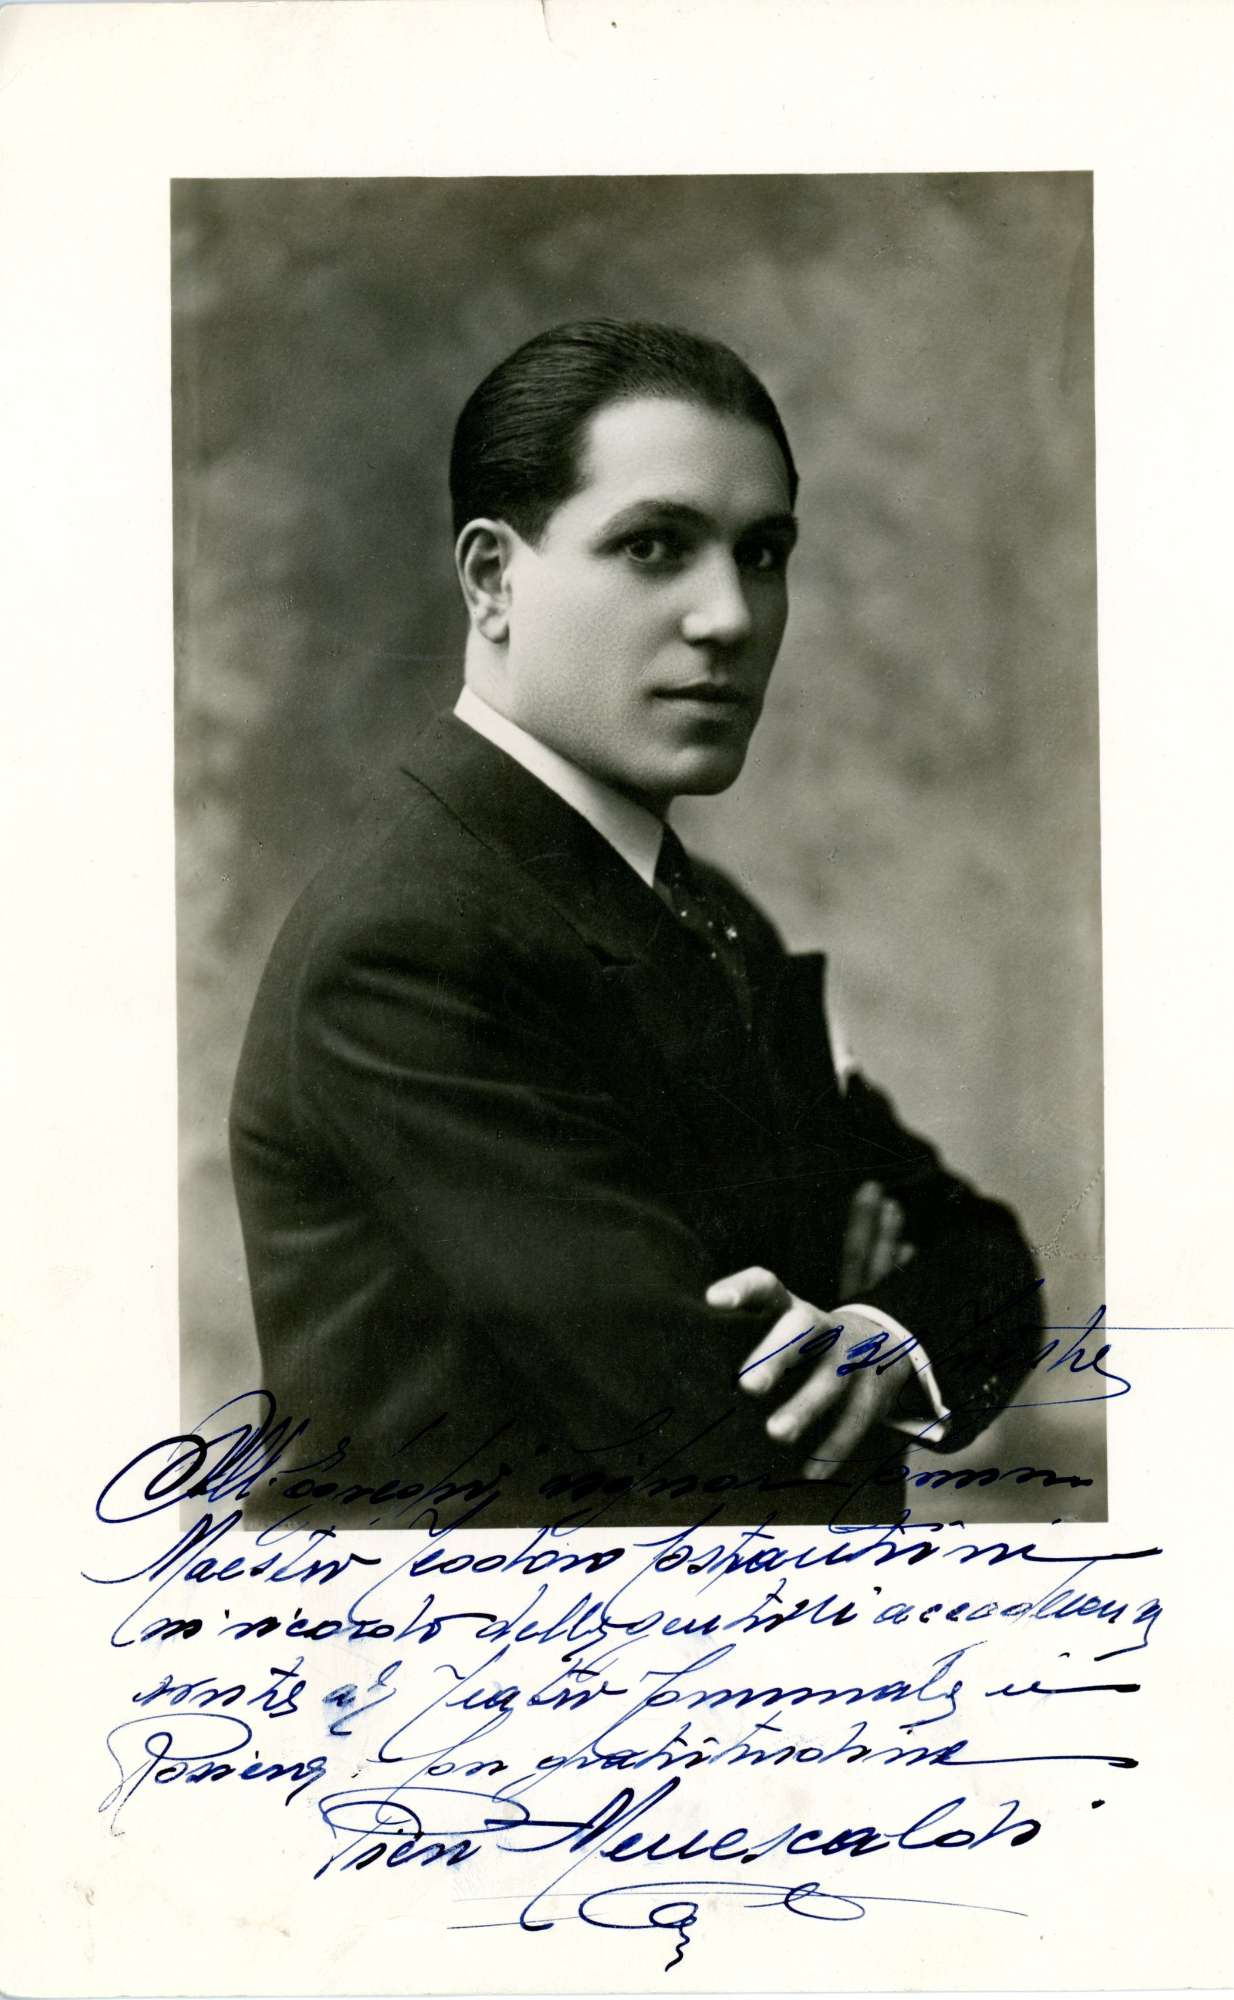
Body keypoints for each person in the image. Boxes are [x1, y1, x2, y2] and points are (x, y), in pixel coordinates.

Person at [230, 319, 1043, 1532]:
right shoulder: (409, 943)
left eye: (762, 553)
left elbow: (988, 1258)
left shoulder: (710, 914)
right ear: (492, 579)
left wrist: (876, 1334)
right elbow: (726, 1439)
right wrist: (829, 1272)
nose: (730, 616)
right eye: (654, 545)